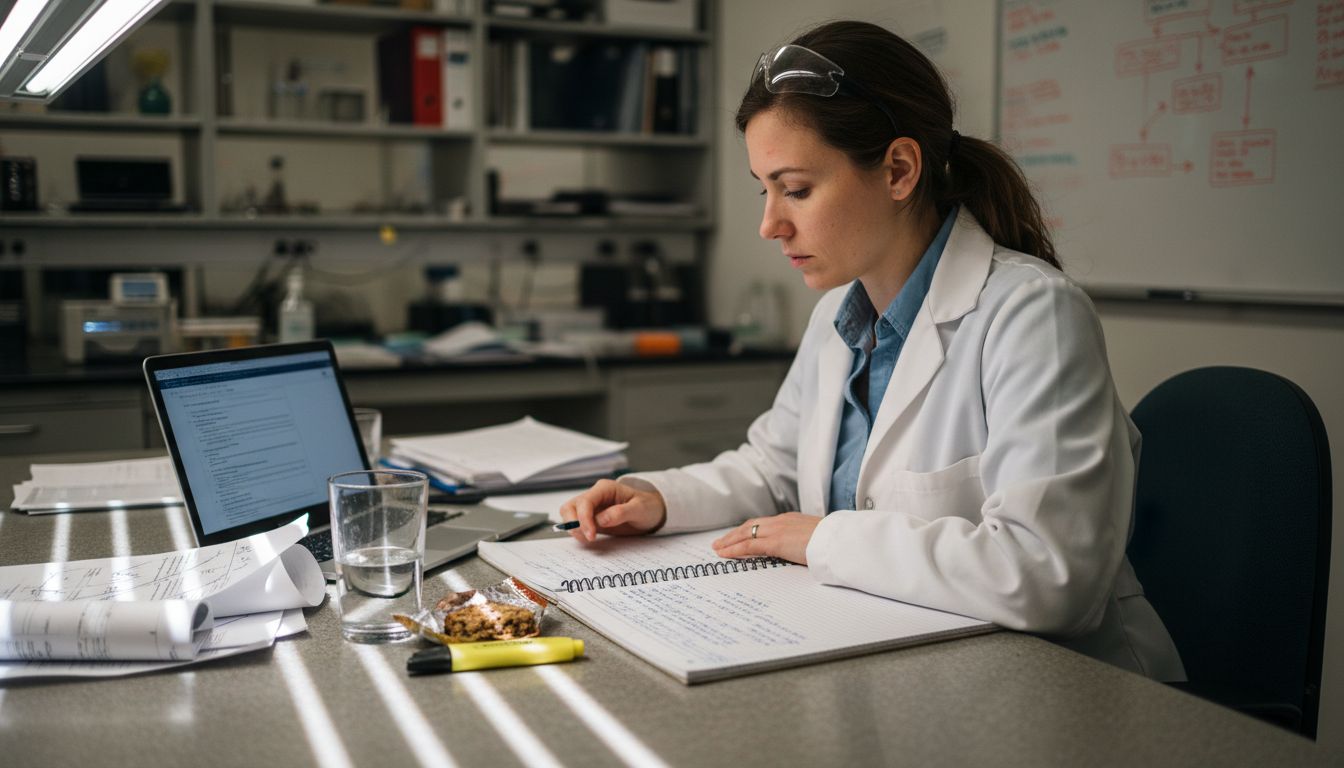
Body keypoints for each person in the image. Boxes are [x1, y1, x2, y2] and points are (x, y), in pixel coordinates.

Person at [558, 20, 1185, 681]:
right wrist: (657, 498)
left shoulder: (1033, 316)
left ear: (898, 170)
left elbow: (1051, 574)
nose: (770, 223)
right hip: (912, 667)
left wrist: (824, 537)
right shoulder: (838, 315)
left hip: (1070, 690)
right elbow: (772, 469)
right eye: (763, 188)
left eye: (795, 189)